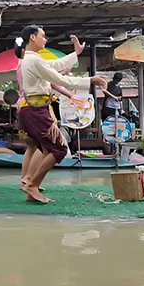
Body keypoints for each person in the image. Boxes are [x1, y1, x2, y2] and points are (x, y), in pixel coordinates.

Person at [16, 26, 105, 204]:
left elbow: (55, 66)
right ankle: (31, 185)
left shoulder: (32, 59)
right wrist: (90, 80)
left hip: (34, 110)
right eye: (43, 36)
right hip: (36, 111)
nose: (45, 39)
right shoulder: (32, 60)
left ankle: (30, 185)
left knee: (46, 148)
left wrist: (75, 53)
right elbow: (60, 79)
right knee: (59, 148)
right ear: (33, 37)